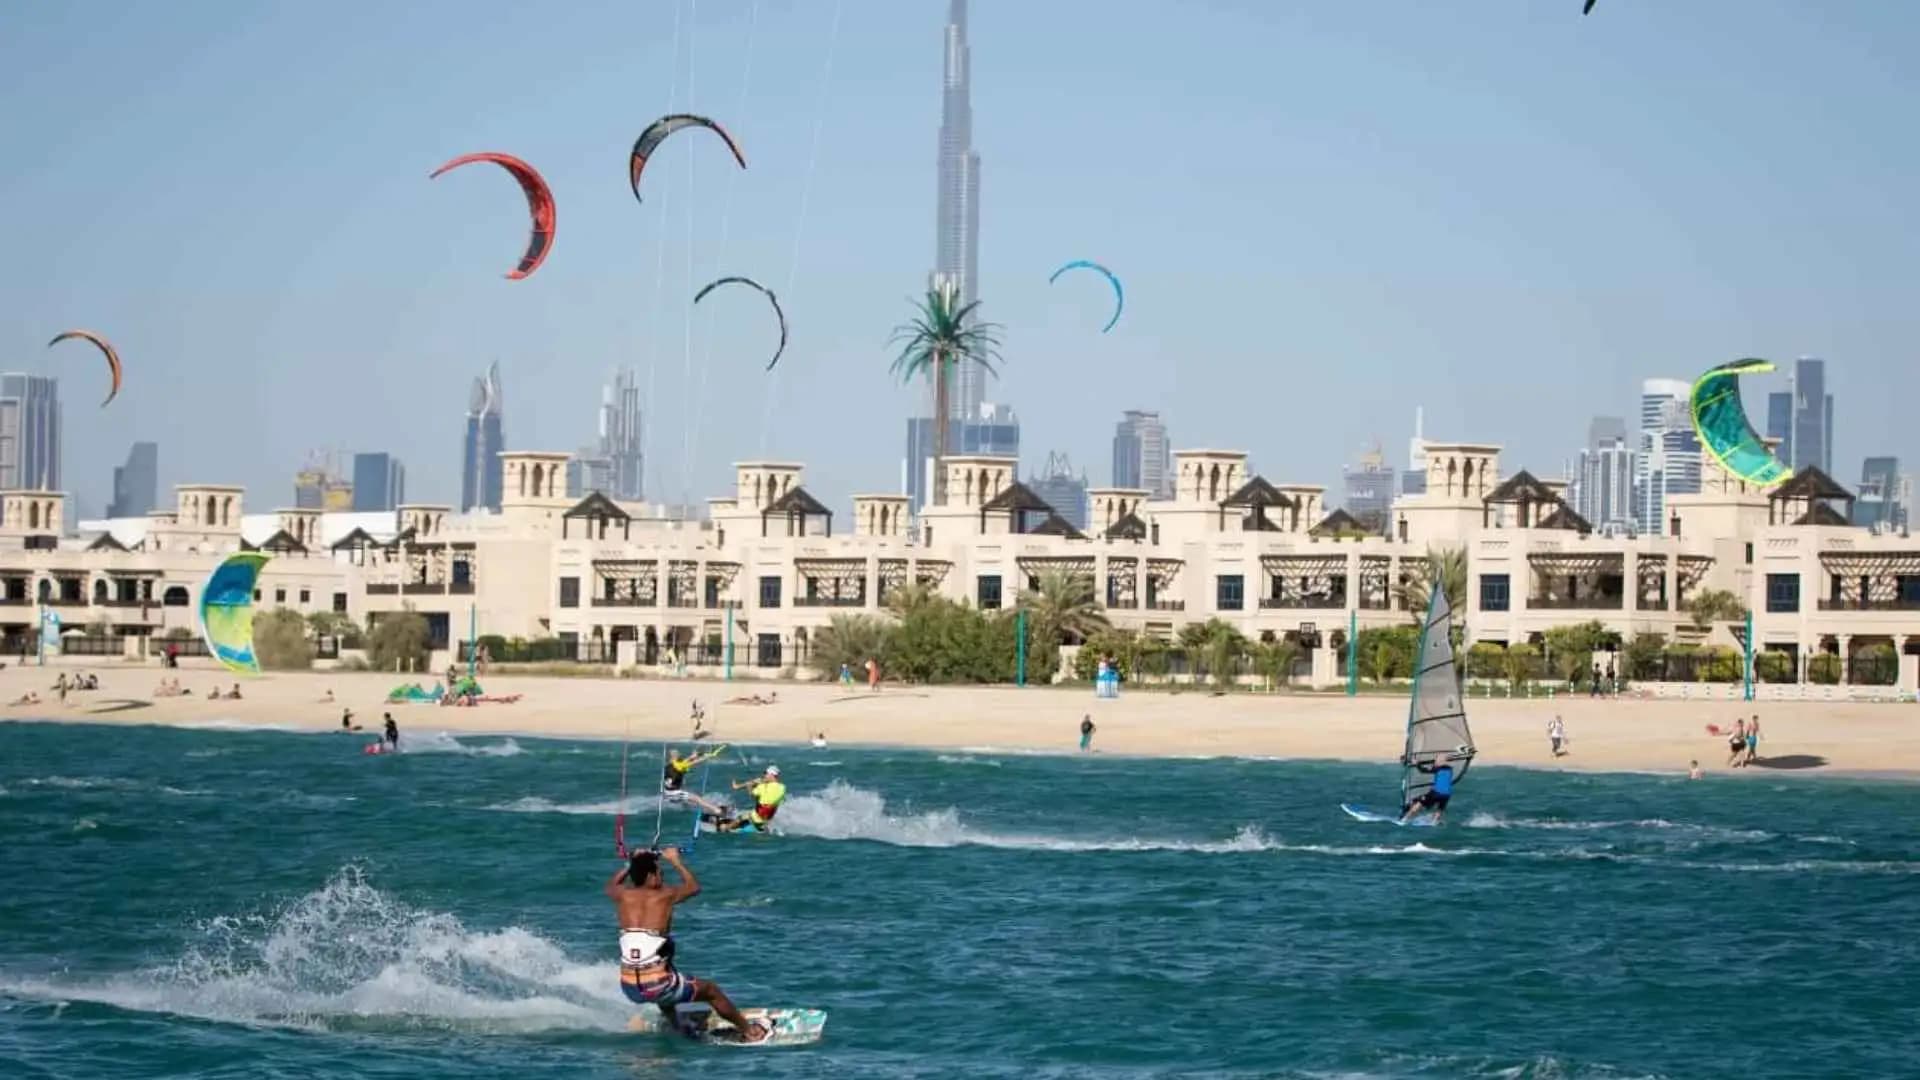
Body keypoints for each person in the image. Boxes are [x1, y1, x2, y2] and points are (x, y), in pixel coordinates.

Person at [608, 847, 768, 1042]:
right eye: (660, 873)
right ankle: (750, 1031)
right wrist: (675, 861)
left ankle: (676, 1025)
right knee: (711, 991)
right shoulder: (665, 895)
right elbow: (693, 887)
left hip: (630, 988)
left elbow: (611, 885)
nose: (662, 878)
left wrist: (632, 862)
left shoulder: (622, 895)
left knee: (665, 965)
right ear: (650, 876)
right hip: (657, 985)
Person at [701, 766, 786, 834]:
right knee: (738, 818)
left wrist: (750, 786)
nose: (764, 775)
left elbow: (752, 795)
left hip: (755, 818)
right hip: (766, 819)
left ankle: (723, 827)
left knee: (735, 821)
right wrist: (753, 784)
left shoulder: (763, 787)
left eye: (766, 773)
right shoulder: (782, 788)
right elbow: (766, 798)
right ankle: (721, 818)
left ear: (771, 775)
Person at [1399, 752, 1456, 824]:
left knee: (1418, 802)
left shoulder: (1437, 769)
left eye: (1436, 760)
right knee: (1440, 809)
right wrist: (1435, 763)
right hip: (1446, 795)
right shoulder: (1449, 769)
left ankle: (1404, 820)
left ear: (1440, 762)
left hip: (1436, 793)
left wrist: (1417, 763)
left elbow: (1423, 770)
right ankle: (1434, 822)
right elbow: (1438, 766)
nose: (1435, 761)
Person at [661, 744, 726, 798]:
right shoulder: (679, 765)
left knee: (686, 791)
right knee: (696, 798)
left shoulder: (671, 764)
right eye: (677, 753)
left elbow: (689, 759)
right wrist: (708, 756)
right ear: (673, 756)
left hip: (667, 790)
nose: (680, 754)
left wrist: (700, 754)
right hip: (674, 791)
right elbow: (695, 762)